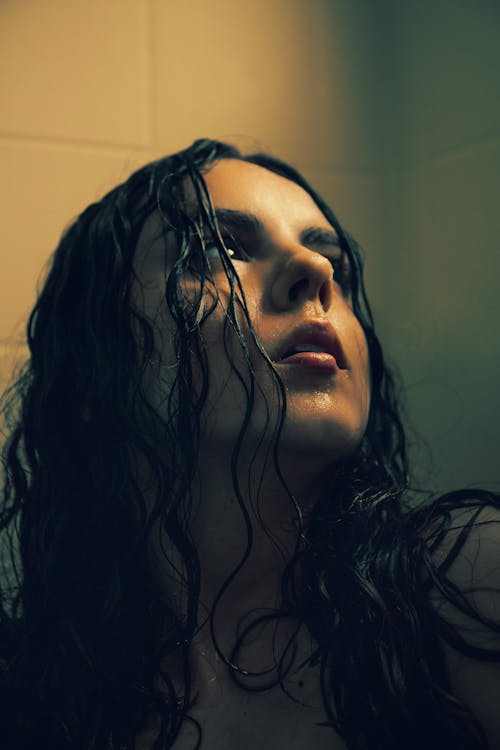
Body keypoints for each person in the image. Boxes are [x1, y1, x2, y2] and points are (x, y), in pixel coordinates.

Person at [0, 138, 499, 750]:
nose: (316, 274)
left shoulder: (462, 590)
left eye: (332, 262)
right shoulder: (31, 694)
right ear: (96, 367)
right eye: (218, 249)